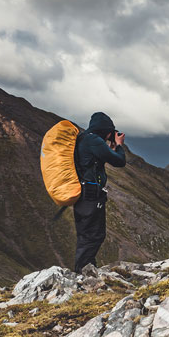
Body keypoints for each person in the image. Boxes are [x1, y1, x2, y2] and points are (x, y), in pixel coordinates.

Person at [73, 111, 126, 273]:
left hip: (82, 194)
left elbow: (93, 162)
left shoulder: (84, 139)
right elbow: (119, 161)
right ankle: (82, 272)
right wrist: (118, 145)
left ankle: (87, 269)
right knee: (94, 235)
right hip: (90, 195)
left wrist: (108, 147)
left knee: (86, 235)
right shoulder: (93, 140)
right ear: (106, 131)